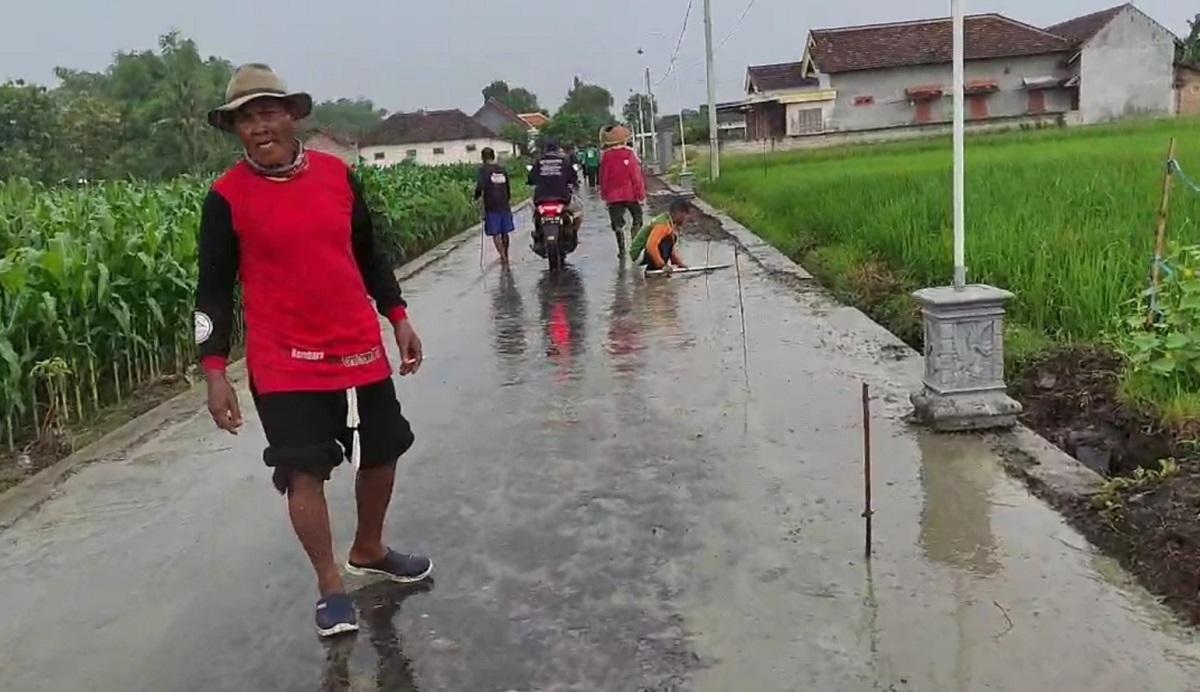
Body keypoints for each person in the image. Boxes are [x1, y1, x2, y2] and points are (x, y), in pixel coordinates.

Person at [196, 64, 432, 638]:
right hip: (284, 360)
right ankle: (331, 586)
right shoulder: (225, 198)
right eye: (246, 119)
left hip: (357, 345)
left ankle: (370, 547)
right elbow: (212, 288)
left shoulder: (337, 177)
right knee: (304, 470)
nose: (260, 127)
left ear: (292, 115)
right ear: (235, 130)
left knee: (383, 450)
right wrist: (214, 371)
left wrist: (397, 316)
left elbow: (370, 255)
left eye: (268, 112)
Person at [526, 138, 580, 256]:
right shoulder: (564, 160)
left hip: (541, 199)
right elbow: (573, 177)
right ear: (557, 148)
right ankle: (573, 233)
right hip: (562, 197)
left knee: (535, 214)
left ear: (545, 149)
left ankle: (538, 235)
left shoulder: (538, 161)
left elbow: (530, 178)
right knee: (577, 213)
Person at [599, 125, 647, 258]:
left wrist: (604, 194)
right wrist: (641, 194)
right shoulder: (630, 154)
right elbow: (636, 175)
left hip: (613, 196)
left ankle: (621, 249)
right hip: (630, 194)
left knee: (617, 222)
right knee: (637, 217)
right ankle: (635, 241)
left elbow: (603, 177)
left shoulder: (606, 157)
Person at [474, 147, 514, 264]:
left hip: (491, 205)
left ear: (483, 158)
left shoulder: (483, 170)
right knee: (504, 231)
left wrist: (476, 197)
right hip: (504, 204)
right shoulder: (502, 170)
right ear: (493, 156)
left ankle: (502, 255)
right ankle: (505, 252)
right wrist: (508, 199)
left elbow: (480, 186)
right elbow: (507, 187)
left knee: (495, 232)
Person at [631, 198, 693, 272]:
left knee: (669, 238)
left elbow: (671, 247)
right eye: (685, 216)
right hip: (639, 255)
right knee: (667, 240)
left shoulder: (669, 222)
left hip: (647, 252)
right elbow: (651, 246)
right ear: (679, 213)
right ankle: (654, 269)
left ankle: (658, 267)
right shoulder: (662, 225)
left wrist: (679, 263)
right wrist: (662, 265)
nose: (686, 220)